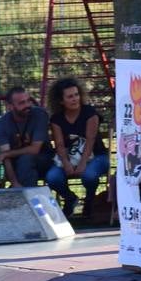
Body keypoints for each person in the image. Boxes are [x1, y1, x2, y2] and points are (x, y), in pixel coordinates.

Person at [45, 77, 110, 217]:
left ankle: (90, 200)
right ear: (61, 101)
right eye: (70, 96)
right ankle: (69, 198)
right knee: (52, 177)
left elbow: (90, 140)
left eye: (76, 95)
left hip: (96, 156)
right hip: (69, 158)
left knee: (89, 176)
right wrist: (67, 164)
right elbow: (60, 145)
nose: (75, 99)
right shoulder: (56, 119)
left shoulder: (90, 113)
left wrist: (82, 164)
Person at [0, 85, 54, 188]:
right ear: (10, 106)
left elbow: (35, 149)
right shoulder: (1, 123)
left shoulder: (39, 114)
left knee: (26, 160)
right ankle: (25, 194)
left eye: (28, 101)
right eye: (22, 103)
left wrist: (7, 154)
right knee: (25, 167)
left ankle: (24, 196)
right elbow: (5, 157)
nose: (27, 105)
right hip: (17, 165)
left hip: (44, 159)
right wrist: (14, 182)